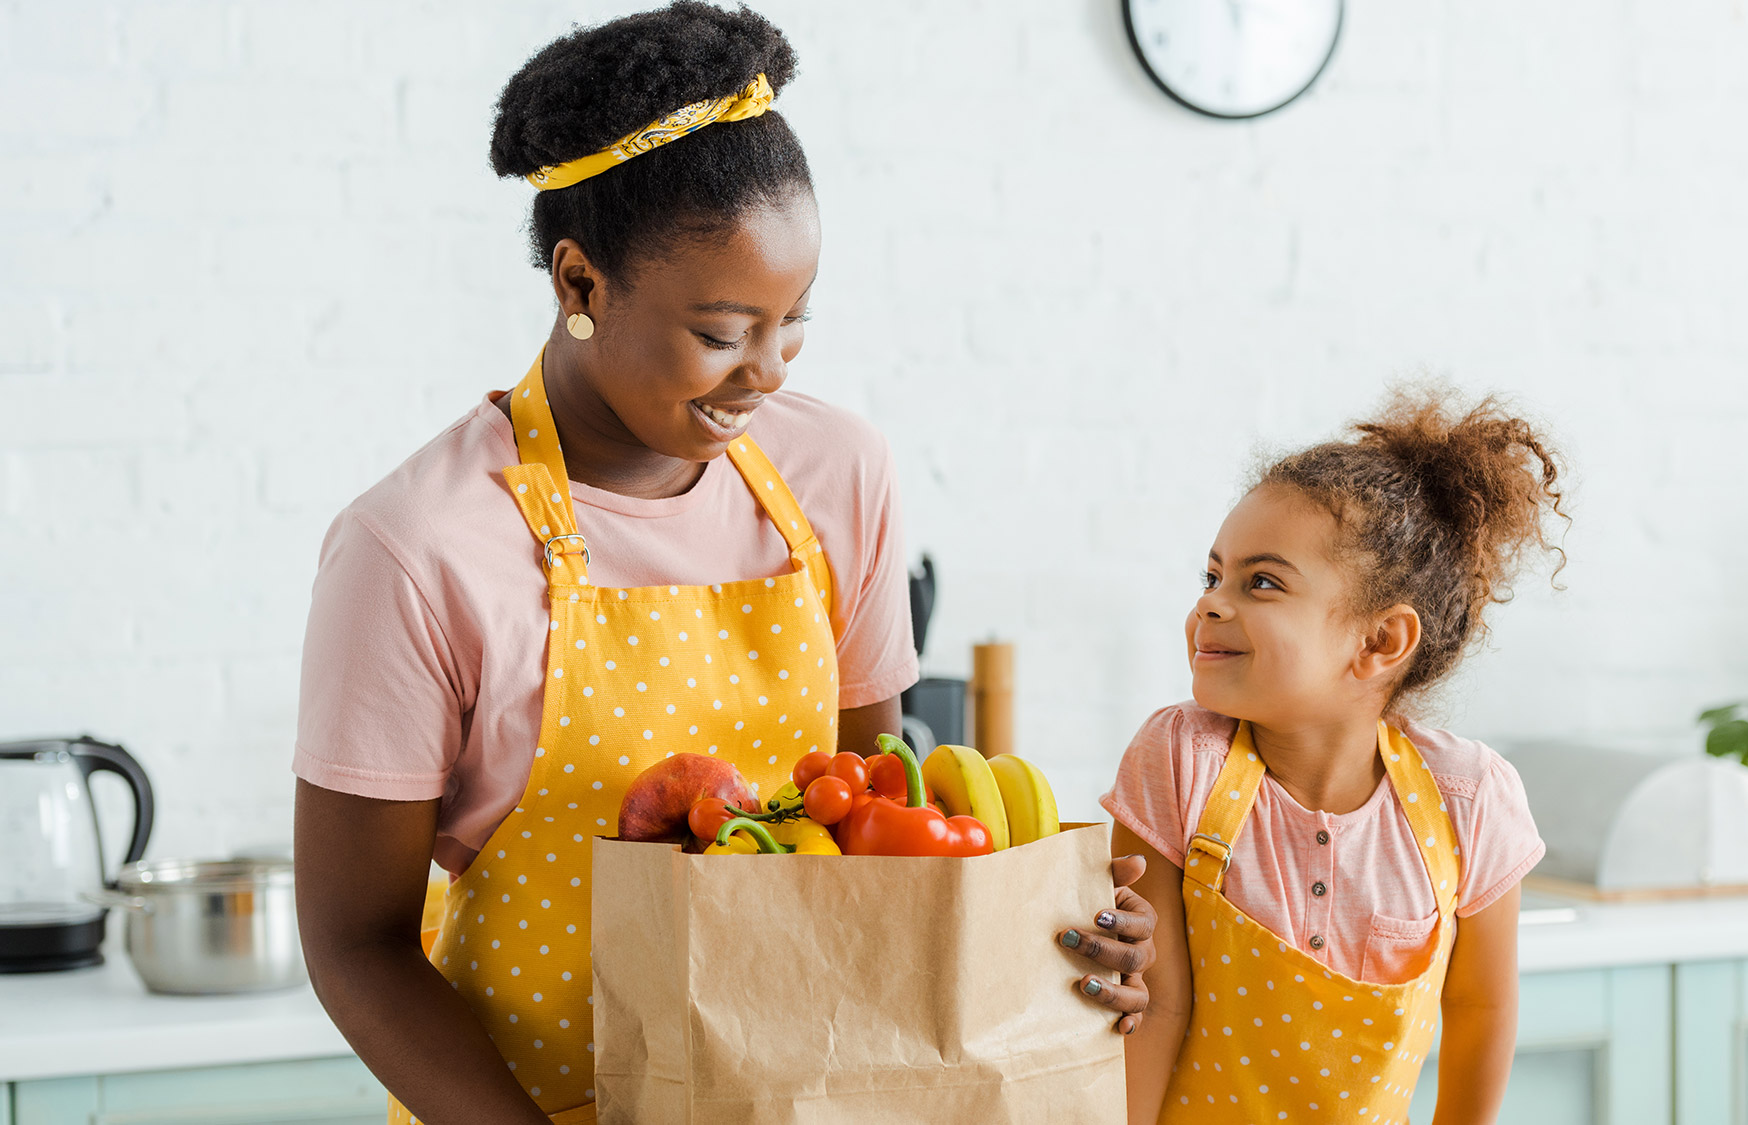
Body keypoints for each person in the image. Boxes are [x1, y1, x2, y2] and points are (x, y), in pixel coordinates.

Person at [289, 7, 1152, 1124]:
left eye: (794, 320)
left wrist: (1051, 938)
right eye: (724, 329)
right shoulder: (416, 548)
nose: (767, 372)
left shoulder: (836, 470)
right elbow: (355, 944)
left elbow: (871, 837)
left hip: (799, 1098)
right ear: (580, 284)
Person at [1105, 388, 1564, 1124]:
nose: (1213, 603)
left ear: (1380, 641)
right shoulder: (1180, 759)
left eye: (1262, 582)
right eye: (1212, 575)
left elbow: (1481, 1003)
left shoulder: (1469, 799)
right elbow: (1156, 1007)